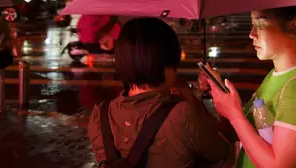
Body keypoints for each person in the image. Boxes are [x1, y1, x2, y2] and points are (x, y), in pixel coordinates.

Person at [87, 18, 234, 168]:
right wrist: (221, 99)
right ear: (167, 67)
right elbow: (223, 152)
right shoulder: (182, 114)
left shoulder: (100, 114)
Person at [201, 4, 296, 168]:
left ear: (293, 26)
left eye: (261, 24)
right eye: (252, 24)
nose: (251, 33)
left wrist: (234, 114)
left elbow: (278, 165)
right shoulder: (276, 75)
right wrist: (221, 95)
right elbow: (245, 135)